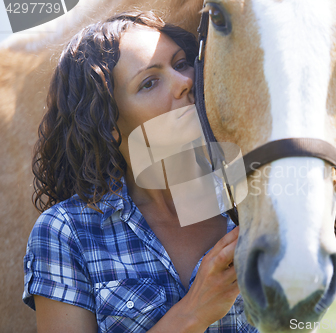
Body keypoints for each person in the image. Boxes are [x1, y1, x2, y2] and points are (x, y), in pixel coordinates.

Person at [23, 10, 257, 333]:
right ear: (109, 127)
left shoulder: (252, 201)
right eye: (149, 83)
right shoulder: (67, 233)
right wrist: (193, 313)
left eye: (180, 63)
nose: (186, 82)